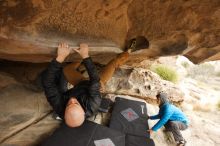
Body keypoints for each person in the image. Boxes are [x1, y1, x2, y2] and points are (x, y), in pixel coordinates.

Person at [42, 36, 149, 128]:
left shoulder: (59, 106)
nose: (72, 100)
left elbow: (47, 83)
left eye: (69, 104)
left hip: (80, 84)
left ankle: (79, 57)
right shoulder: (92, 105)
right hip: (96, 86)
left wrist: (60, 57)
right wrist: (85, 56)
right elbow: (94, 79)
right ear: (83, 111)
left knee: (66, 70)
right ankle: (129, 51)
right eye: (76, 103)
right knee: (113, 64)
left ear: (64, 112)